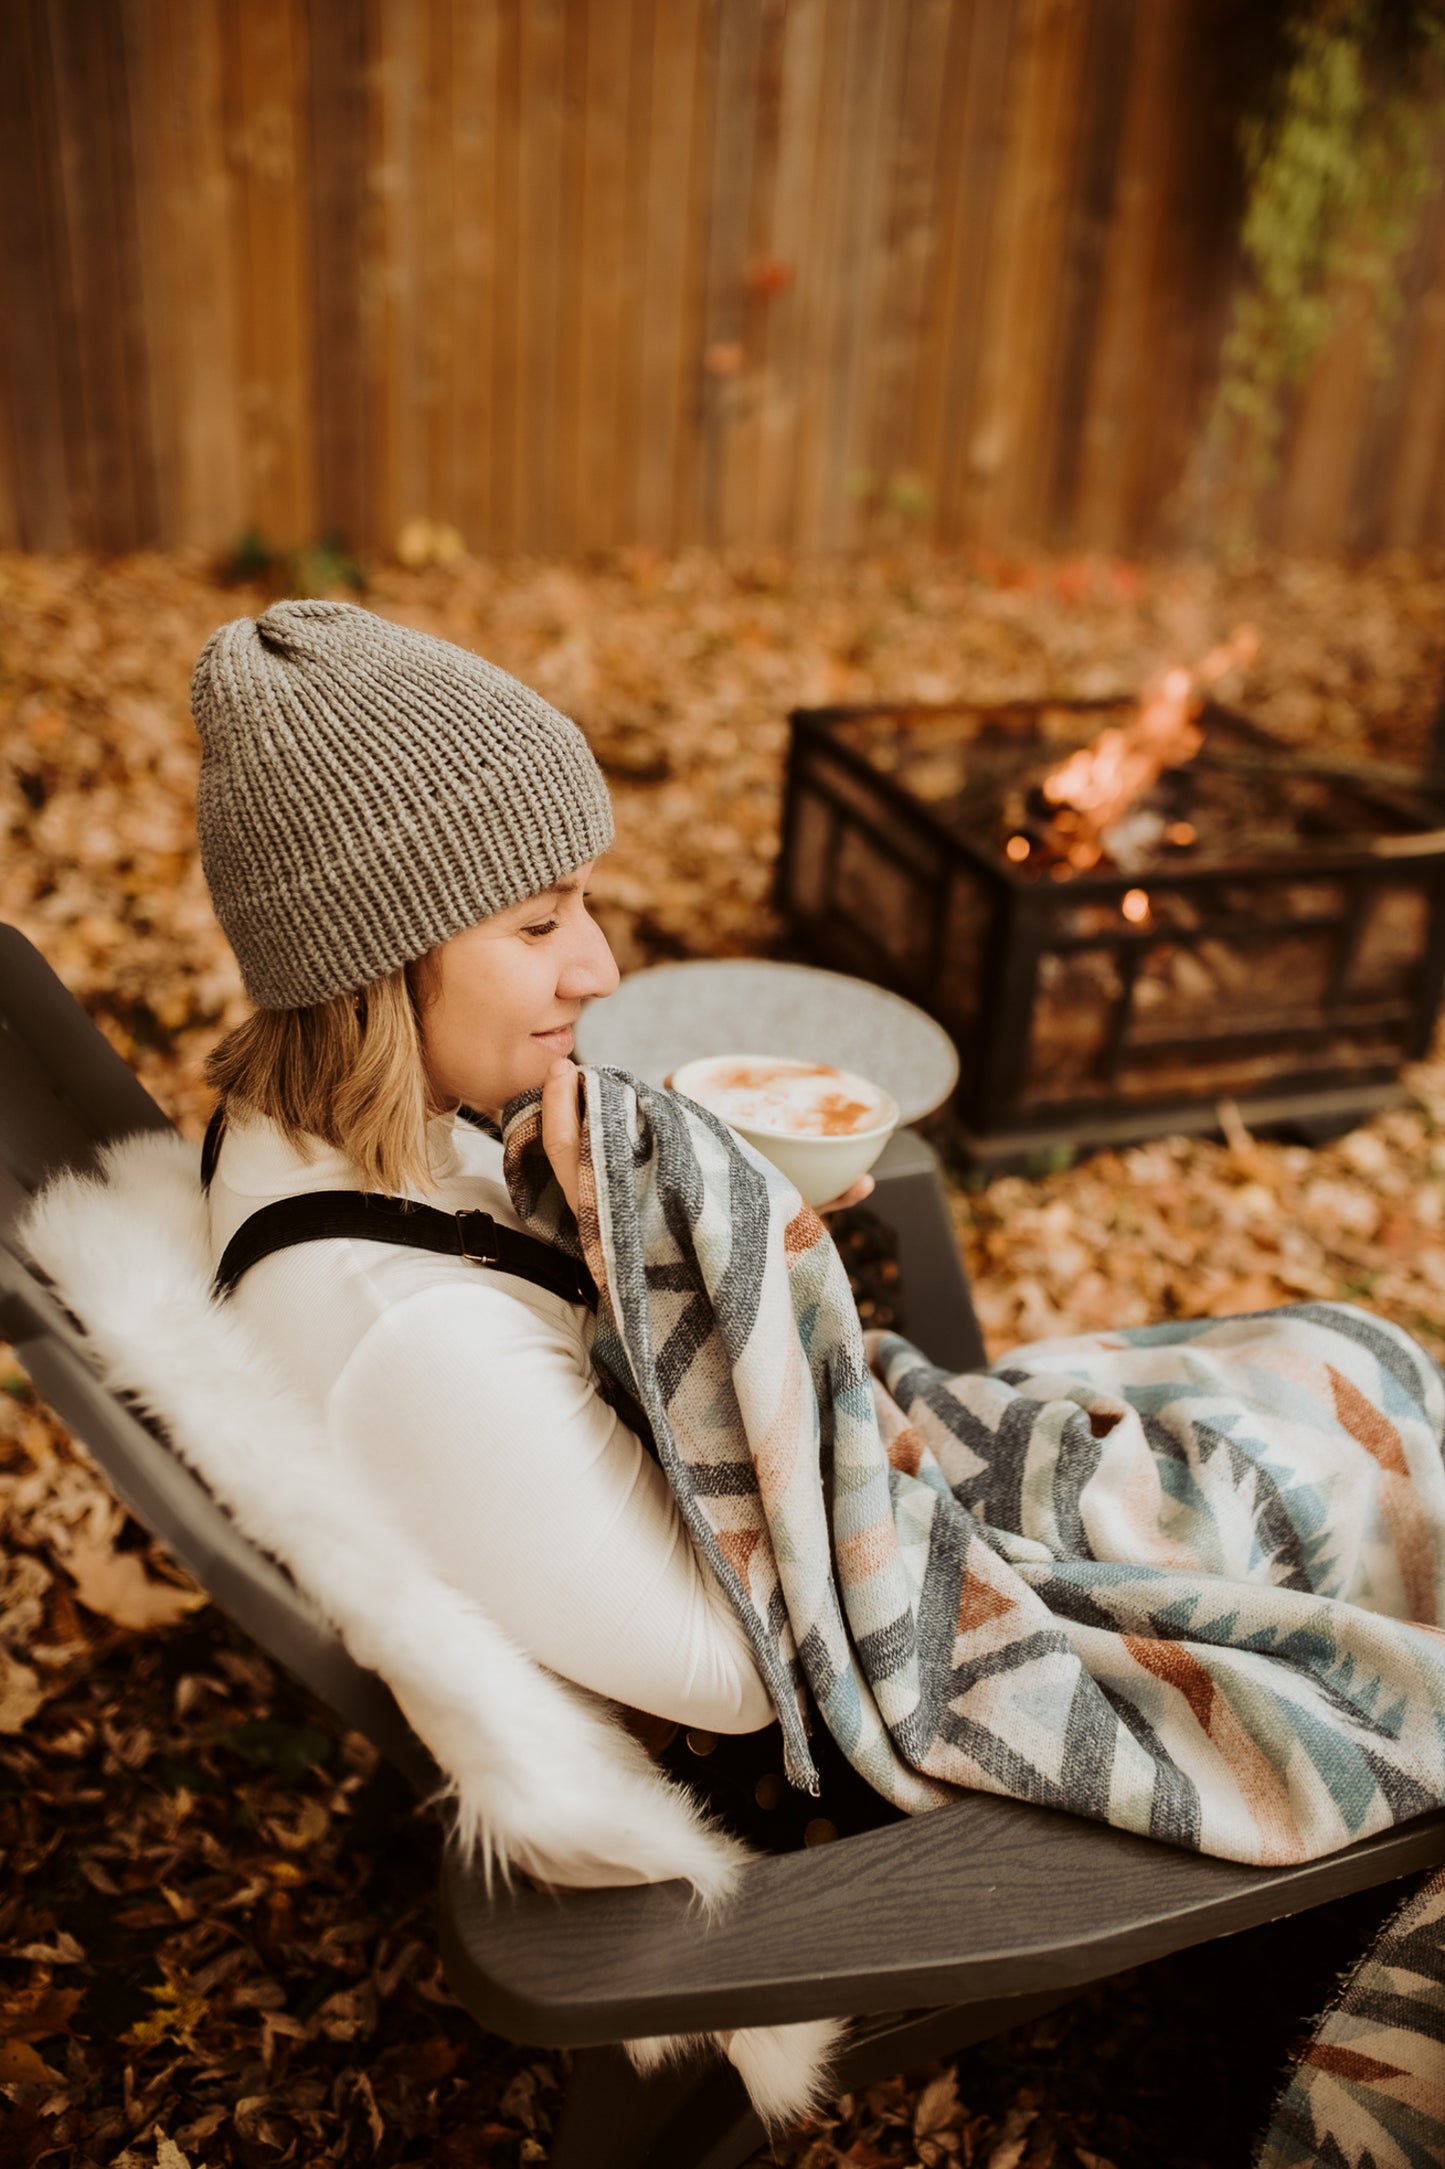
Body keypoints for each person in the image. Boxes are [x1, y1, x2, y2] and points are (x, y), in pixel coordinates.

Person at [191, 596, 897, 1850]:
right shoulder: (408, 1338)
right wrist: (696, 1282)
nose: (600, 967)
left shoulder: (349, 1131)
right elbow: (737, 1681)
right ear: (373, 960)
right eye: (537, 923)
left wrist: (690, 1209)